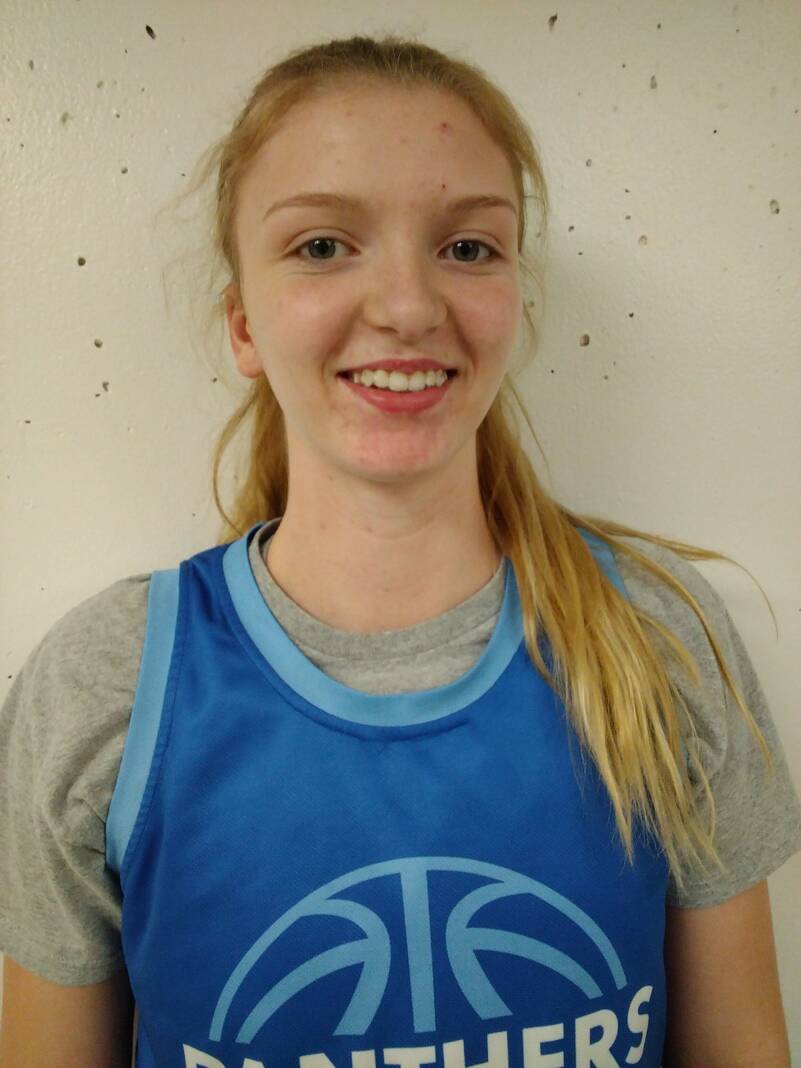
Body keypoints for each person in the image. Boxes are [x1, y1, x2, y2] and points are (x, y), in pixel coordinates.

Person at [1, 32, 799, 1068]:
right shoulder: (104, 685)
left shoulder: (659, 636)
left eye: (467, 248)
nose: (410, 308)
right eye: (322, 246)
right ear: (242, 324)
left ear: (515, 297)